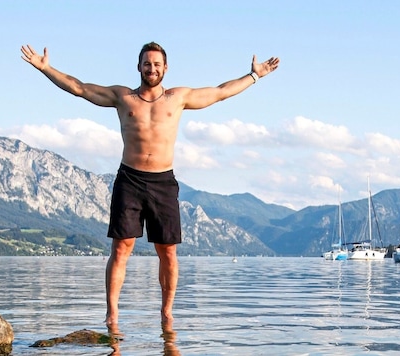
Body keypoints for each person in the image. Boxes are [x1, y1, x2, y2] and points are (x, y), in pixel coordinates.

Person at [20, 42, 279, 326]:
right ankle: (112, 313)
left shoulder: (178, 98)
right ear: (138, 67)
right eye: (147, 63)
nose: (152, 68)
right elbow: (79, 88)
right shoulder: (123, 97)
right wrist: (45, 68)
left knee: (167, 251)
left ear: (165, 68)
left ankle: (167, 312)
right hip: (129, 179)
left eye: (157, 64)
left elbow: (219, 93)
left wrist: (254, 76)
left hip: (163, 182)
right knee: (121, 247)